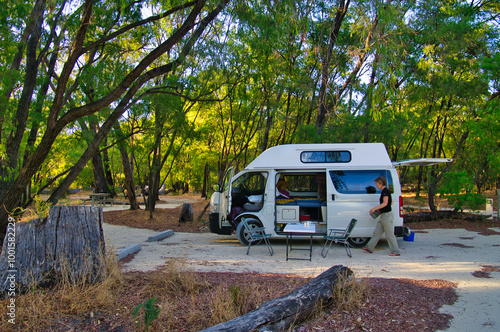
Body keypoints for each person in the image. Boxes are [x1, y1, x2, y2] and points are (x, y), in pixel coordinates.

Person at [362, 176, 401, 256]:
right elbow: (389, 203)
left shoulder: (386, 191)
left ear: (381, 183)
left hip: (387, 216)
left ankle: (395, 251)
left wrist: (374, 209)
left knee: (389, 234)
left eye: (376, 183)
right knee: (377, 232)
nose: (376, 185)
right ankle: (369, 247)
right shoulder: (384, 191)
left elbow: (385, 203)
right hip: (383, 215)